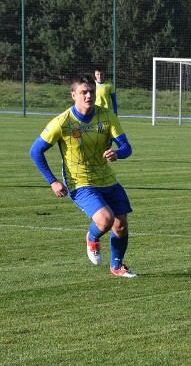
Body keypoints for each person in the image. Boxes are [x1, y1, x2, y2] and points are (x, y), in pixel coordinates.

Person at [29, 74, 136, 277]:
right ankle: (92, 238)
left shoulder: (107, 116)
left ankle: (117, 266)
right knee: (105, 220)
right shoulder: (62, 122)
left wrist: (118, 153)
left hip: (107, 178)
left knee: (120, 226)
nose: (88, 96)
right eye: (83, 92)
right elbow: (35, 151)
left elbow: (126, 147)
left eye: (92, 92)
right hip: (79, 181)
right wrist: (52, 181)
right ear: (73, 95)